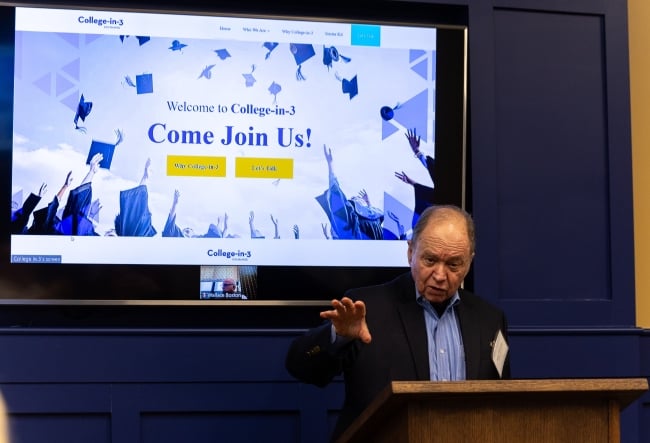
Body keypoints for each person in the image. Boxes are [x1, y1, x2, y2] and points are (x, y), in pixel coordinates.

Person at [285, 204, 511, 441]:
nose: (440, 275)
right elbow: (300, 367)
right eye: (430, 260)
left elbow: (502, 404)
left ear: (469, 262)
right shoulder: (365, 309)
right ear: (410, 252)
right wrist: (338, 336)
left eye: (454, 264)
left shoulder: (490, 320)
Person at [315, 144, 384, 240]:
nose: (354, 197)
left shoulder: (354, 222)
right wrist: (368, 205)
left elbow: (337, 200)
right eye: (353, 198)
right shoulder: (375, 220)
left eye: (354, 198)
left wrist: (330, 166)